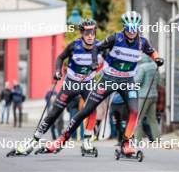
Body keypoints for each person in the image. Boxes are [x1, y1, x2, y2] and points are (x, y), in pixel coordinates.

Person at [45, 11, 164, 155]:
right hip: (109, 79)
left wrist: (157, 58)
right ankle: (61, 139)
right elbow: (96, 47)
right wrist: (95, 62)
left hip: (127, 81)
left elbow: (152, 52)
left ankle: (126, 143)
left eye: (135, 29)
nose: (132, 32)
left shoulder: (142, 42)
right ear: (124, 28)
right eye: (129, 29)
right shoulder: (115, 38)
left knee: (134, 111)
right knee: (87, 110)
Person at [14, 19, 102, 155]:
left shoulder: (100, 46)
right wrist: (57, 71)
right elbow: (60, 58)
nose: (90, 35)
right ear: (81, 33)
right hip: (71, 83)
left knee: (92, 109)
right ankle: (33, 140)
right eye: (87, 33)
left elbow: (109, 61)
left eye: (92, 32)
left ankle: (87, 141)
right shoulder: (74, 46)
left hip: (88, 83)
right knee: (54, 112)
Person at [134, 55, 160, 142]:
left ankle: (138, 140)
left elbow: (138, 81)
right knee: (153, 119)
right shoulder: (155, 66)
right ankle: (157, 140)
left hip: (143, 96)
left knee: (138, 119)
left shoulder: (142, 67)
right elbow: (158, 81)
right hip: (154, 95)